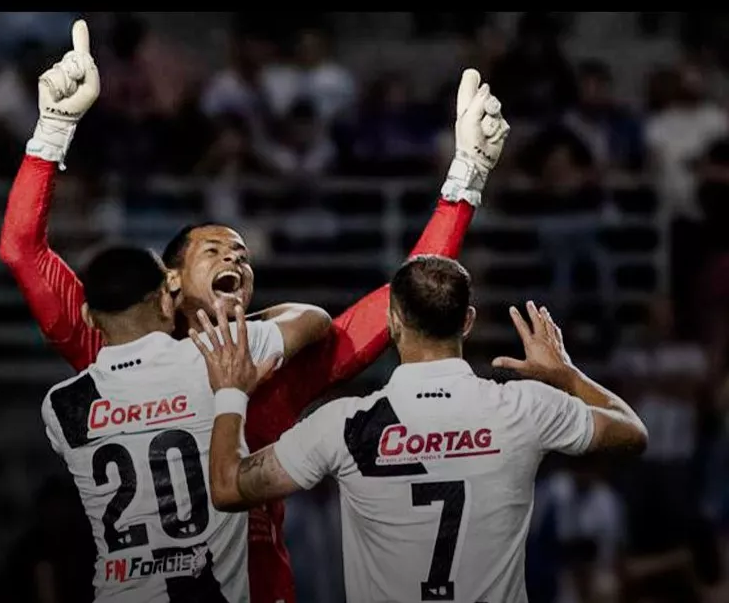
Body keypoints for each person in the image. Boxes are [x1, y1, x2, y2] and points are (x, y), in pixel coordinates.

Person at [0, 19, 511, 603]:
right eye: (214, 250)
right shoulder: (109, 349)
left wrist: (465, 176)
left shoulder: (276, 371)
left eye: (243, 255)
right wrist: (52, 130)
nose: (235, 260)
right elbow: (21, 249)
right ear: (168, 285)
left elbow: (406, 299)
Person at [194, 256, 648, 603]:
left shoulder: (344, 425)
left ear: (393, 322)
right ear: (467, 321)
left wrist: (230, 392)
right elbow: (632, 432)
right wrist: (567, 375)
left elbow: (229, 488)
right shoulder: (524, 406)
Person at [42, 244, 311, 602]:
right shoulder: (213, 355)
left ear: (89, 317)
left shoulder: (60, 404)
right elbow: (311, 319)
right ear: (167, 302)